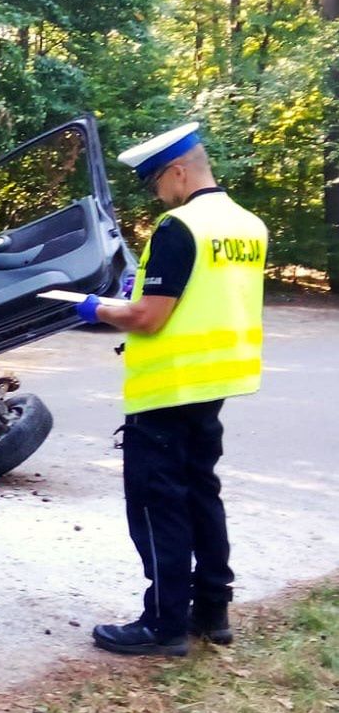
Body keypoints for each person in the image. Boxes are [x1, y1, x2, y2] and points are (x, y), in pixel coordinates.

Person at [75, 123, 268, 657]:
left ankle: (164, 624)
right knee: (202, 495)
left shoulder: (180, 227)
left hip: (167, 389)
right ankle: (212, 611)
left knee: (158, 505)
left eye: (156, 181)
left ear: (178, 171)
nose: (156, 193)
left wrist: (93, 308)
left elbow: (148, 316)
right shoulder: (248, 225)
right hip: (216, 383)